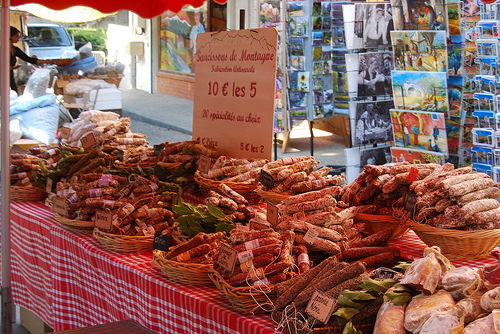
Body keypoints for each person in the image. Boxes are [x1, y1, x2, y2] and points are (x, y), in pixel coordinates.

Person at [10, 26, 53, 93]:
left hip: (10, 77)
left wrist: (46, 61)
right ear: (9, 37)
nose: (18, 38)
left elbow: (29, 59)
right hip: (3, 77)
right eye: (16, 36)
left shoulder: (15, 50)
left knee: (13, 93)